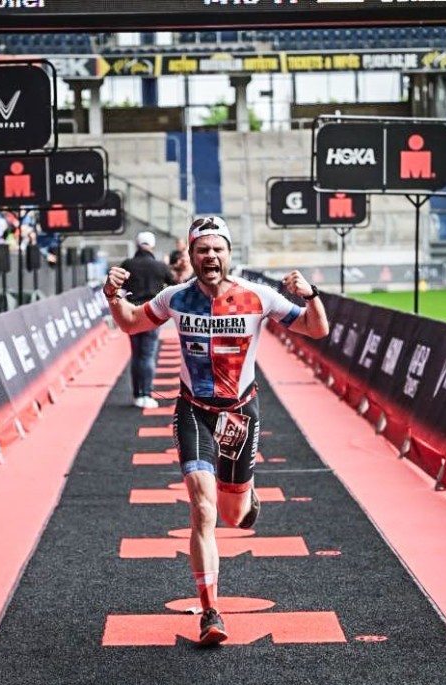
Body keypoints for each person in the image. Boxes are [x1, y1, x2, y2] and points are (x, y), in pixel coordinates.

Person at [103, 214, 329, 646]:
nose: (210, 256)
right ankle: (210, 612)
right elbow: (132, 323)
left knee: (233, 516)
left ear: (229, 254)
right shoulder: (174, 298)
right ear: (190, 255)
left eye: (217, 249)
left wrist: (311, 295)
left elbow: (317, 328)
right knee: (203, 510)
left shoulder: (258, 297)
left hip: (241, 414)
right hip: (194, 412)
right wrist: (112, 295)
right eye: (202, 249)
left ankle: (246, 495)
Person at [118, 231, 175, 409]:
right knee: (148, 354)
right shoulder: (160, 266)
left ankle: (137, 394)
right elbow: (174, 285)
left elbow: (119, 287)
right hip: (151, 313)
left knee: (136, 354)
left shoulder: (127, 264)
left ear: (137, 245)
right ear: (152, 245)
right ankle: (147, 393)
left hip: (131, 313)